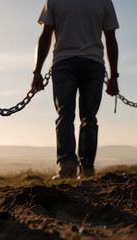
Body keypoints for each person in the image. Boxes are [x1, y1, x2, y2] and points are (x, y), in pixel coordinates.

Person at [32, 0, 120, 179]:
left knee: (65, 115)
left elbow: (46, 35)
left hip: (64, 62)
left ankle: (66, 166)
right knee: (89, 117)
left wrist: (37, 71)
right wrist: (113, 76)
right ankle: (86, 168)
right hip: (93, 63)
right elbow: (110, 39)